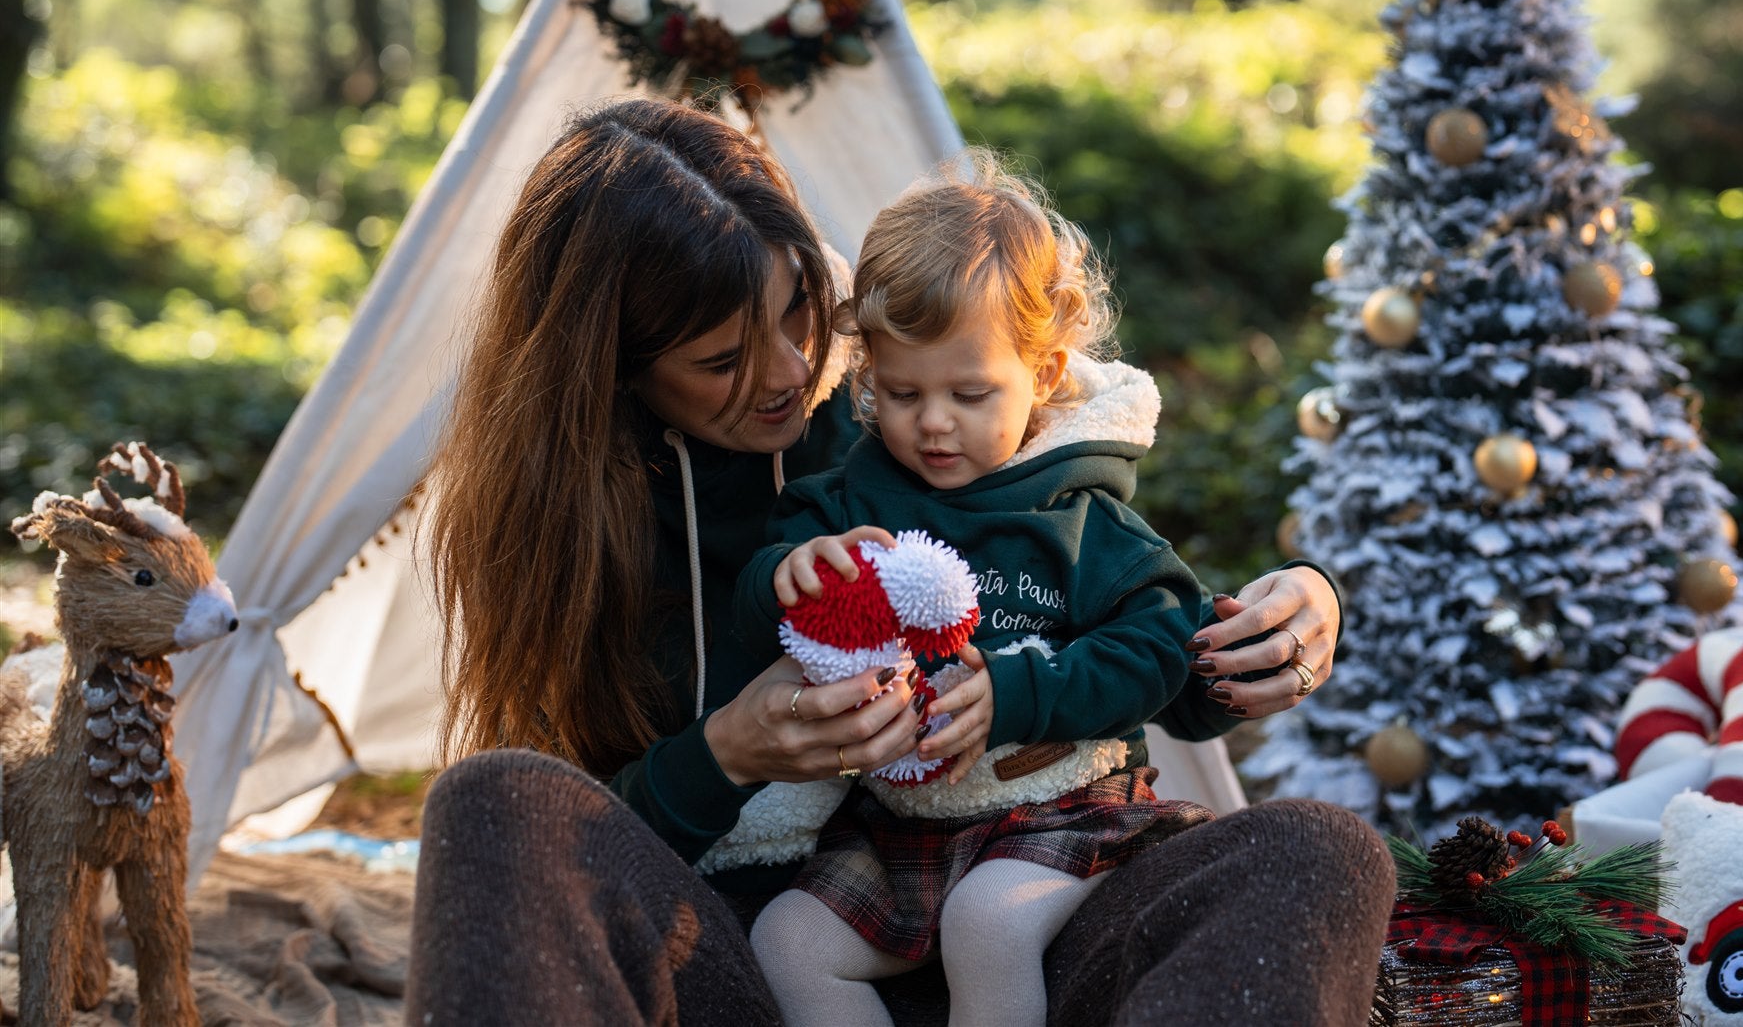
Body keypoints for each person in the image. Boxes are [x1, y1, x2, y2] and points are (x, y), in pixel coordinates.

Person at [406, 97, 1394, 1026]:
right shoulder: (569, 528)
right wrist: (729, 754)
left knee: (1316, 848)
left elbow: (1155, 650)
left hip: (1028, 920)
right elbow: (586, 850)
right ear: (614, 368)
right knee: (491, 804)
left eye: (801, 313)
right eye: (722, 361)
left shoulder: (910, 404)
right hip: (759, 957)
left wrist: (1305, 609)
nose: (794, 372)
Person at [743, 158, 1213, 1026]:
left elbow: (1160, 647)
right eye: (901, 391)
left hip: (1056, 810)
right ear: (867, 376)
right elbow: (771, 568)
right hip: (899, 822)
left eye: (969, 393)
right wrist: (789, 570)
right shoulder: (852, 497)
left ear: (1044, 374)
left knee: (987, 927)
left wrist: (1023, 693)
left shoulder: (1078, 514)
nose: (931, 422)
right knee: (787, 943)